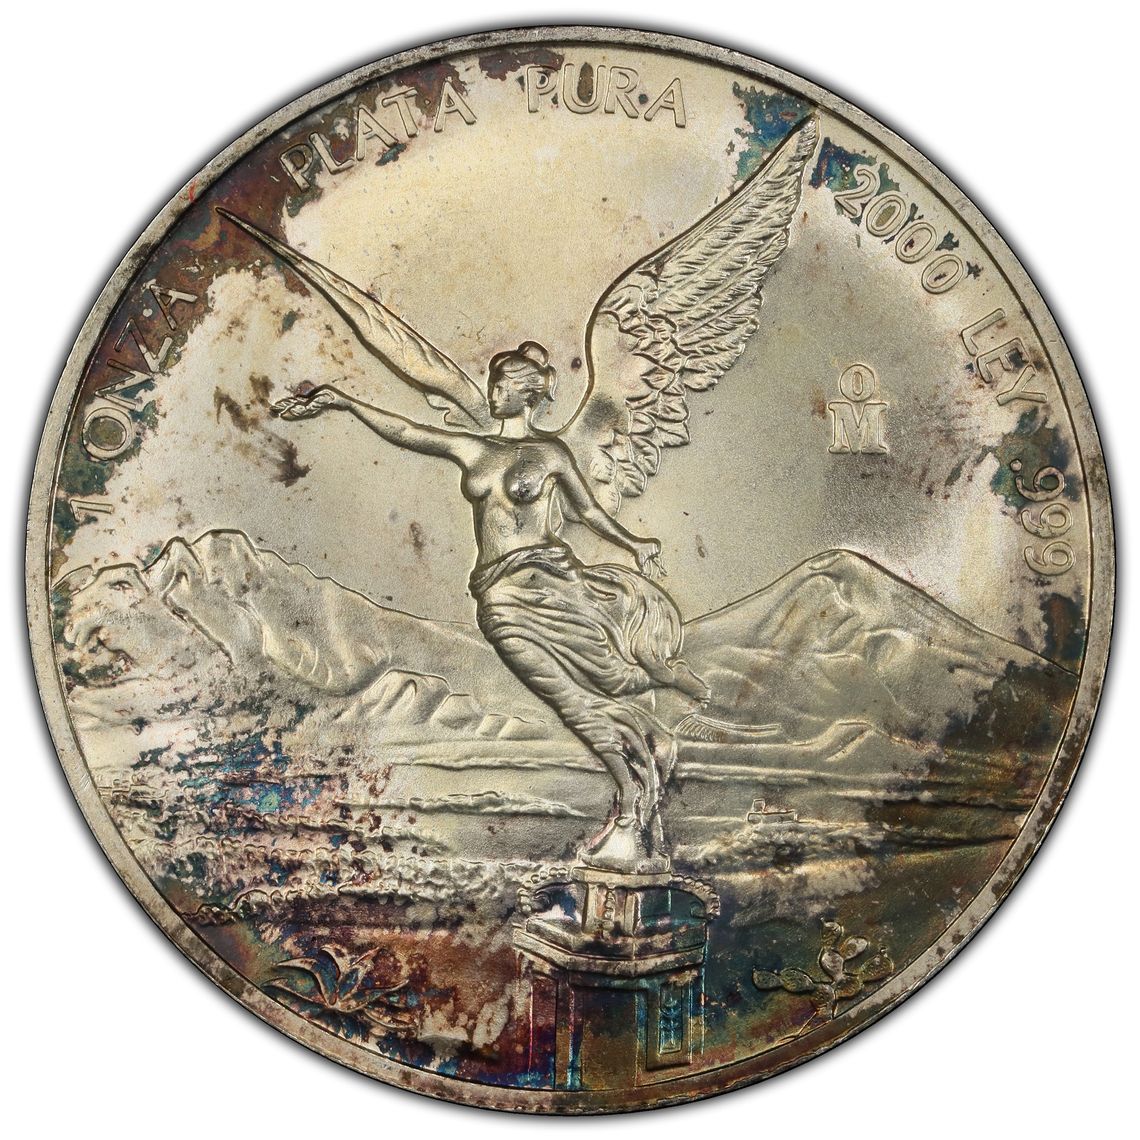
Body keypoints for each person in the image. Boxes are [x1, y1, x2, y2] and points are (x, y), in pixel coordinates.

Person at [274, 341, 708, 872]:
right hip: (498, 598)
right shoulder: (474, 449)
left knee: (603, 682)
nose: (492, 392)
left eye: (501, 384)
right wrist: (346, 402)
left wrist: (633, 543)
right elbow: (409, 432)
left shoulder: (550, 454)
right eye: (493, 383)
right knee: (566, 695)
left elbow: (589, 512)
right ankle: (641, 765)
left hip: (549, 585)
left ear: (526, 394)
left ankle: (646, 757)